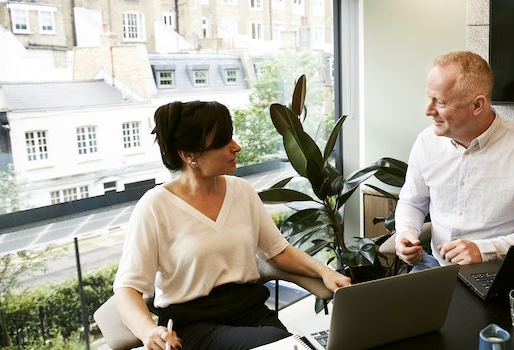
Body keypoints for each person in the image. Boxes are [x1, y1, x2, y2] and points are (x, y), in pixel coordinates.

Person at [113, 101, 350, 350]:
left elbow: (278, 251)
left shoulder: (242, 192)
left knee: (291, 345)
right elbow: (127, 288)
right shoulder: (155, 205)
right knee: (279, 345)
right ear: (188, 154)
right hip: (195, 326)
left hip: (251, 312)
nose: (236, 147)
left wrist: (326, 272)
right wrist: (148, 331)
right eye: (223, 142)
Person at [394, 51, 514, 270]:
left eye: (441, 102)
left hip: (497, 271)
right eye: (429, 98)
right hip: (434, 266)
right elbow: (412, 202)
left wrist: (484, 250)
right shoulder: (425, 142)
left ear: (477, 105)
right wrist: (406, 233)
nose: (428, 110)